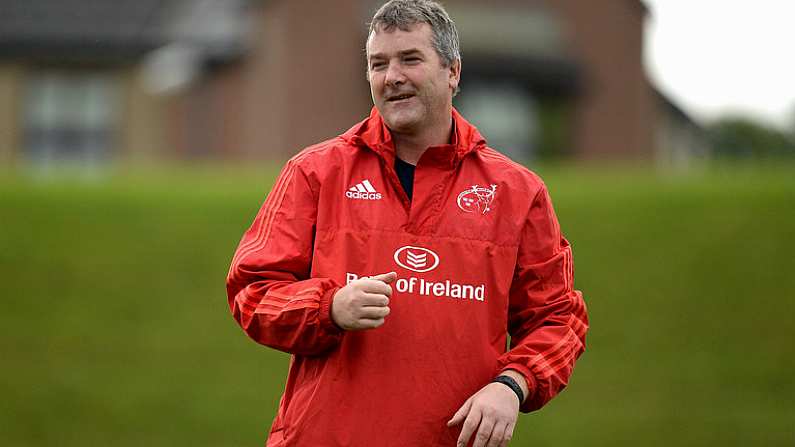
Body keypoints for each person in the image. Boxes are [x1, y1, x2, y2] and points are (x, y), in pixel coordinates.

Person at [226, 1, 588, 445]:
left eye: (410, 59)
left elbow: (558, 318)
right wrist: (328, 308)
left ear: (453, 71)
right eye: (378, 64)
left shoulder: (517, 191)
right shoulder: (315, 172)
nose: (391, 75)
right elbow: (252, 291)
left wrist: (512, 384)